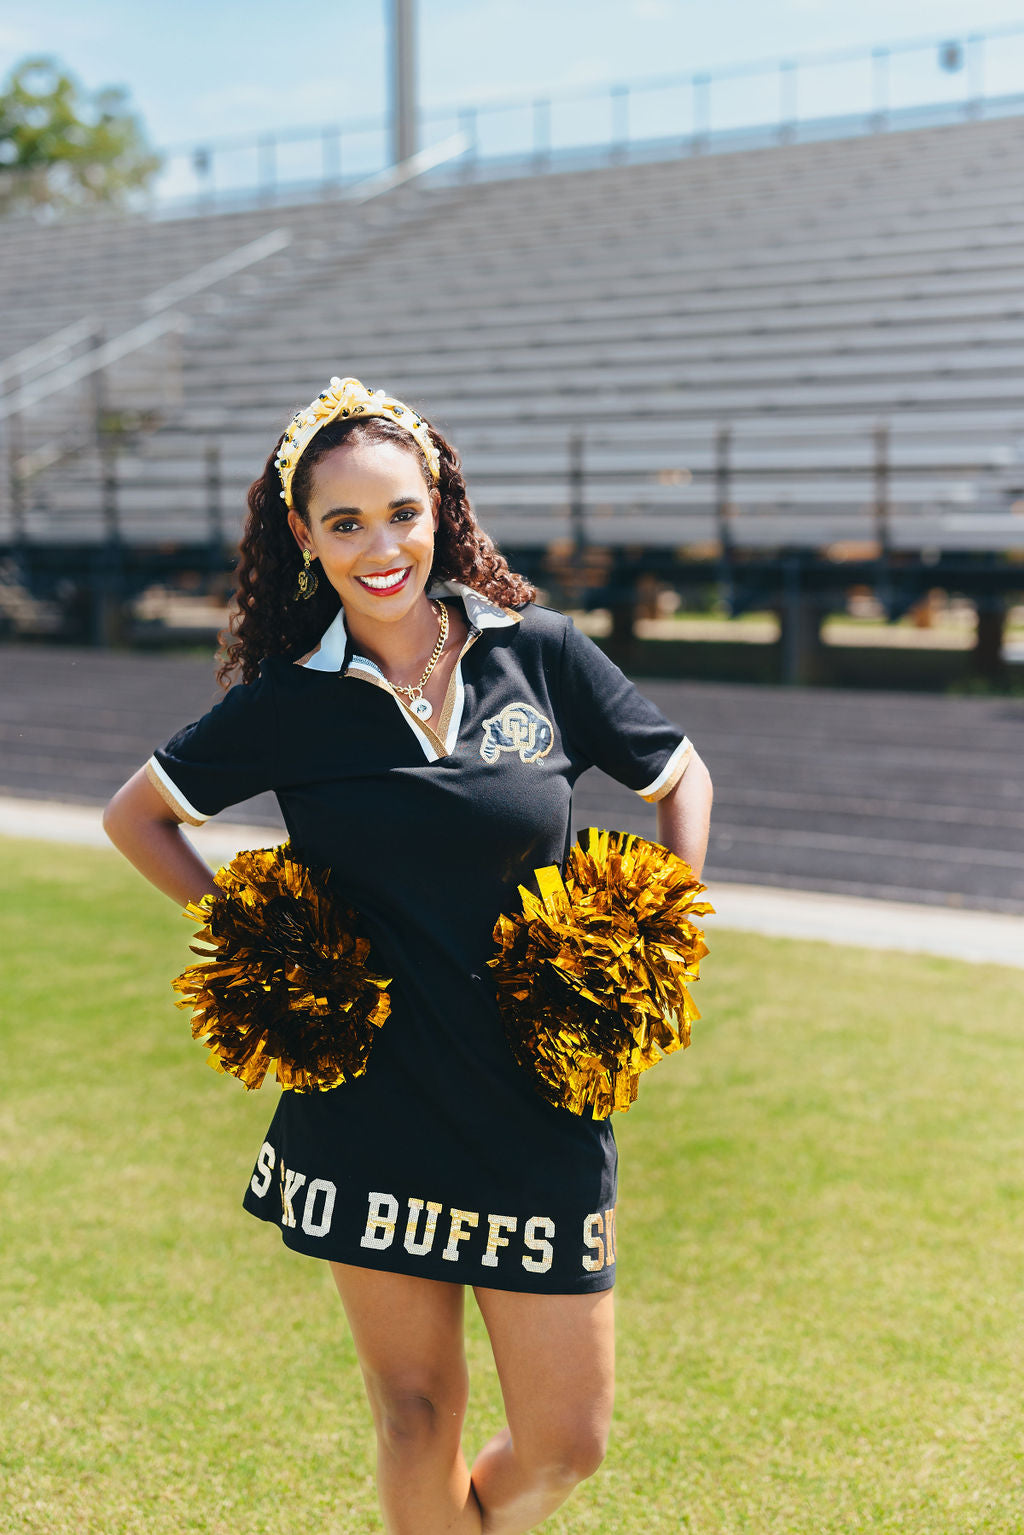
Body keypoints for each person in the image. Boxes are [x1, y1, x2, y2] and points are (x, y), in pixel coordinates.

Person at [103, 376, 713, 1535]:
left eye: (400, 513)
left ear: (440, 507)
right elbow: (137, 817)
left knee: (567, 1437)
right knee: (414, 1408)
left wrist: (664, 927)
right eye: (345, 523)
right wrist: (252, 933)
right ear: (303, 536)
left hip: (537, 1099)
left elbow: (678, 774)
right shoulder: (287, 700)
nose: (379, 547)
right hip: (369, 1097)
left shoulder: (537, 652)